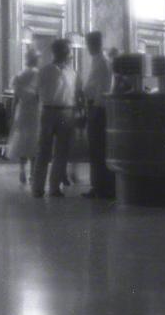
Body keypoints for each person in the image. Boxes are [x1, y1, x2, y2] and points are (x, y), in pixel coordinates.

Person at [32, 37, 77, 197]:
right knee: (44, 150)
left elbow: (74, 94)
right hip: (49, 111)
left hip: (66, 111)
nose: (69, 54)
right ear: (61, 52)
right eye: (68, 50)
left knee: (62, 152)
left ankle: (54, 187)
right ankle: (37, 187)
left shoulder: (72, 72)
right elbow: (35, 92)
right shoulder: (45, 71)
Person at [80, 30, 115, 200]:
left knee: (97, 151)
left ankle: (99, 187)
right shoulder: (102, 61)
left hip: (97, 109)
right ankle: (102, 185)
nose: (87, 47)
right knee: (100, 150)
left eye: (88, 44)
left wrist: (84, 95)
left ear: (93, 44)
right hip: (100, 108)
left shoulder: (100, 62)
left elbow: (94, 88)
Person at [8, 41, 43, 186]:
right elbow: (40, 94)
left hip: (22, 111)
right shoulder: (38, 75)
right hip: (34, 110)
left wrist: (12, 115)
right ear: (36, 60)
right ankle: (33, 172)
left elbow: (15, 98)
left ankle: (22, 168)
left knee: (22, 139)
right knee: (34, 140)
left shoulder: (19, 76)